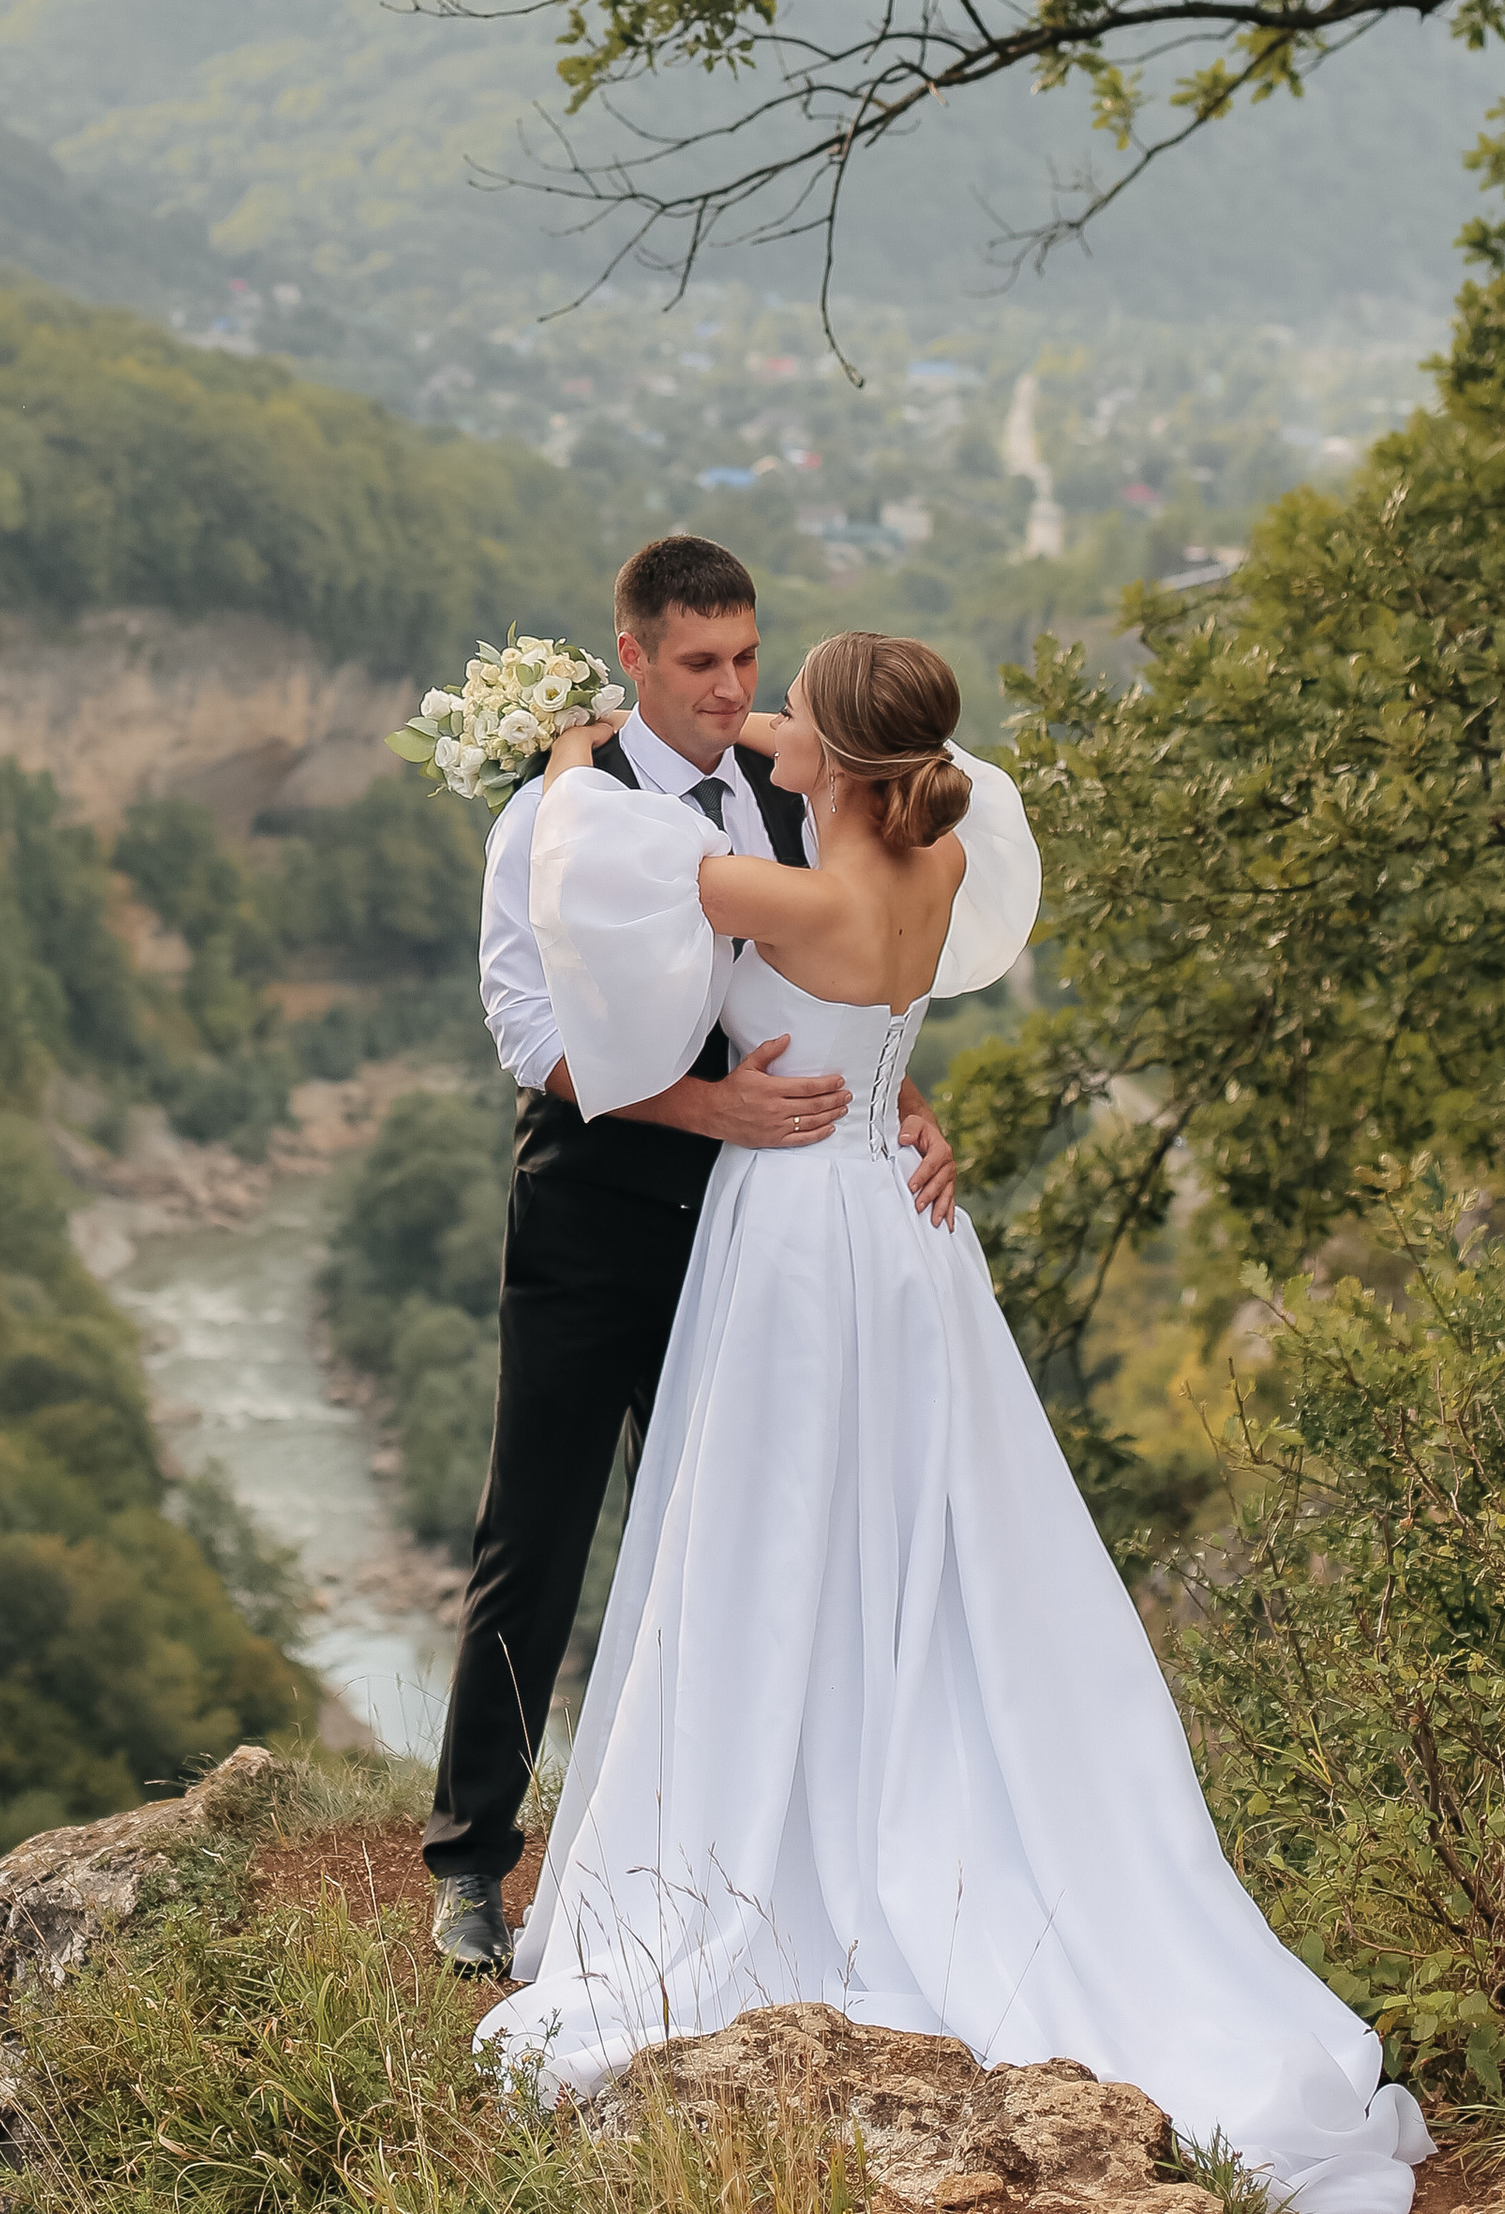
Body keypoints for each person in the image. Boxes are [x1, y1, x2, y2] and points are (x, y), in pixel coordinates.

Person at [473, 629, 1430, 2214]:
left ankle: (788, 1802)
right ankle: (876, 1744)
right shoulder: (931, 851)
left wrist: (570, 757)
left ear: (837, 766)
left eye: (792, 710)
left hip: (792, 1239)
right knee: (912, 1519)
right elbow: (843, 830)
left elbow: (611, 855)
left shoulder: (806, 891)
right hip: (904, 1239)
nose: (761, 718)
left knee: (775, 1526)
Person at [421, 535, 977, 1973]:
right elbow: (528, 1037)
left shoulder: (805, 802)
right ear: (635, 664)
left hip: (764, 1233)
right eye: (700, 665)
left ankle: (724, 1851)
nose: (732, 693)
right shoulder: (550, 820)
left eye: (748, 659)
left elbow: (842, 986)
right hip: (595, 1215)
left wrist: (898, 1104)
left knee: (735, 1535)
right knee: (534, 1536)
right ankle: (471, 1864)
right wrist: (701, 1103)